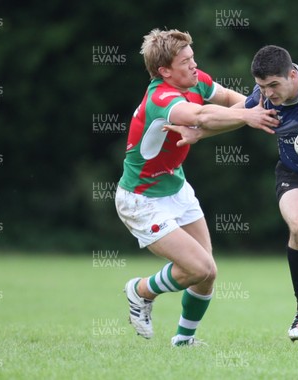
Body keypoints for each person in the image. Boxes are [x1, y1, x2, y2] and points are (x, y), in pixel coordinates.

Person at [166, 45, 298, 347]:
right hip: (295, 177)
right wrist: (201, 133)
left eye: (273, 85)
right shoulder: (264, 97)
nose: (267, 94)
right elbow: (241, 115)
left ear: (292, 74)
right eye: (261, 86)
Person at [116, 29, 279, 347]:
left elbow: (235, 101)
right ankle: (140, 291)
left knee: (208, 271)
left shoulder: (196, 80)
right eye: (185, 61)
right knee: (198, 267)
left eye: (193, 58)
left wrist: (259, 108)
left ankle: (183, 341)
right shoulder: (161, 98)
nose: (194, 66)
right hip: (141, 199)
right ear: (165, 71)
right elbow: (203, 115)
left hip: (176, 188)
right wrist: (248, 116)